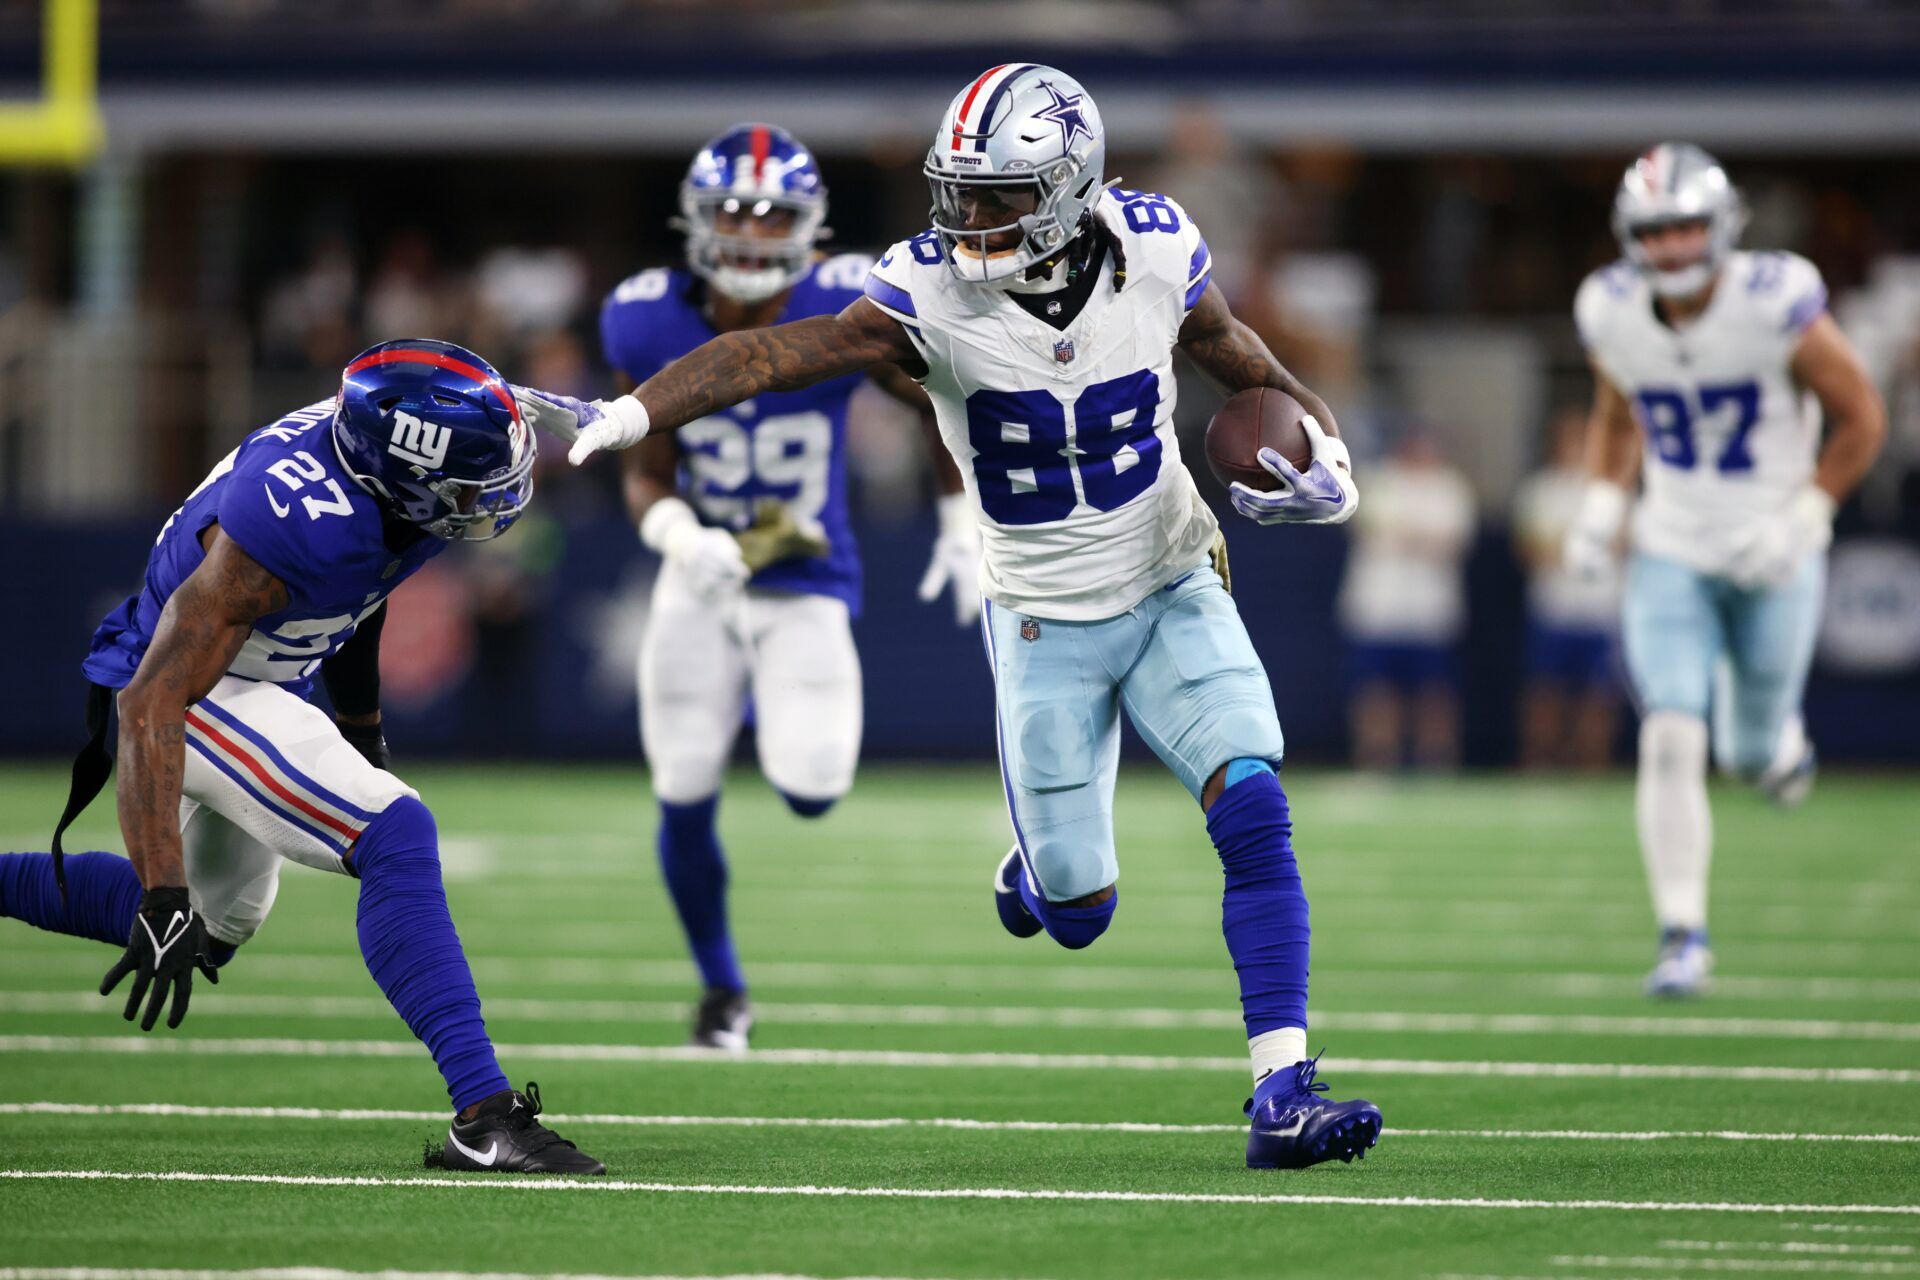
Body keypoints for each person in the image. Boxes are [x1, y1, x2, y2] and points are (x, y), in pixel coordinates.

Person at [551, 64, 1382, 1170]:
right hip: (1040, 616)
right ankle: (1035, 876)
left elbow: (1249, 367)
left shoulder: (1156, 247)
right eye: (960, 191)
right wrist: (633, 410)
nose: (968, 217)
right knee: (1081, 908)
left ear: (1070, 186)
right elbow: (765, 353)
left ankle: (1281, 1091)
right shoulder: (926, 292)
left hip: (1173, 572)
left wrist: (1328, 461)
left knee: (1255, 807)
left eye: (997, 195)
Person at [0, 340, 606, 1174]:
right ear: (400, 472)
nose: (485, 498)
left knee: (210, 932)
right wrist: (159, 885)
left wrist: (362, 727)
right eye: (467, 484)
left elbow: (365, 589)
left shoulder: (383, 468)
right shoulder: (289, 522)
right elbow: (151, 700)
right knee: (394, 832)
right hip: (180, 689)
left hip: (253, 677)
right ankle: (485, 1116)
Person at [600, 124, 976, 1051]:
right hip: (701, 580)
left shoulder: (847, 301)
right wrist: (679, 536)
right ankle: (722, 992)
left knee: (813, 786)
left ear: (811, 227)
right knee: (682, 785)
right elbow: (643, 471)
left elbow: (941, 402)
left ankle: (759, 712)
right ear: (697, 218)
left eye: (775, 213)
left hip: (806, 575)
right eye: (736, 209)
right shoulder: (644, 317)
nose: (755, 229)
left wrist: (961, 520)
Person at [1565, 143, 1886, 996]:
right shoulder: (1611, 308)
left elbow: (1862, 418)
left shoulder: (1775, 300)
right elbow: (1618, 410)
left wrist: (1808, 513)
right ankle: (1683, 937)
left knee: (1745, 756)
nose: (1671, 248)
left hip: (1774, 545)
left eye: (1686, 228)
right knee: (1670, 730)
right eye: (1655, 231)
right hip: (1672, 543)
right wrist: (1604, 502)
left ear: (1722, 226)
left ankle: (1777, 745)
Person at [1335, 430, 1477, 770]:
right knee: (1374, 692)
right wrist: (1417, 536)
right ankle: (1376, 761)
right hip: (1377, 609)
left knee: (1434, 692)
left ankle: (1435, 763)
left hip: (1431, 612)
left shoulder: (1450, 488)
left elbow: (1451, 542)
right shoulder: (1375, 481)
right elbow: (1365, 529)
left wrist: (1404, 534)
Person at [1513, 406, 1622, 771]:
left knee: (1597, 694)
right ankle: (1541, 763)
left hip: (1599, 607)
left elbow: (1625, 544)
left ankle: (1590, 765)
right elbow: (1531, 549)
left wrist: (1565, 548)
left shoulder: (1611, 492)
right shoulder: (1542, 489)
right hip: (1554, 607)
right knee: (1546, 690)